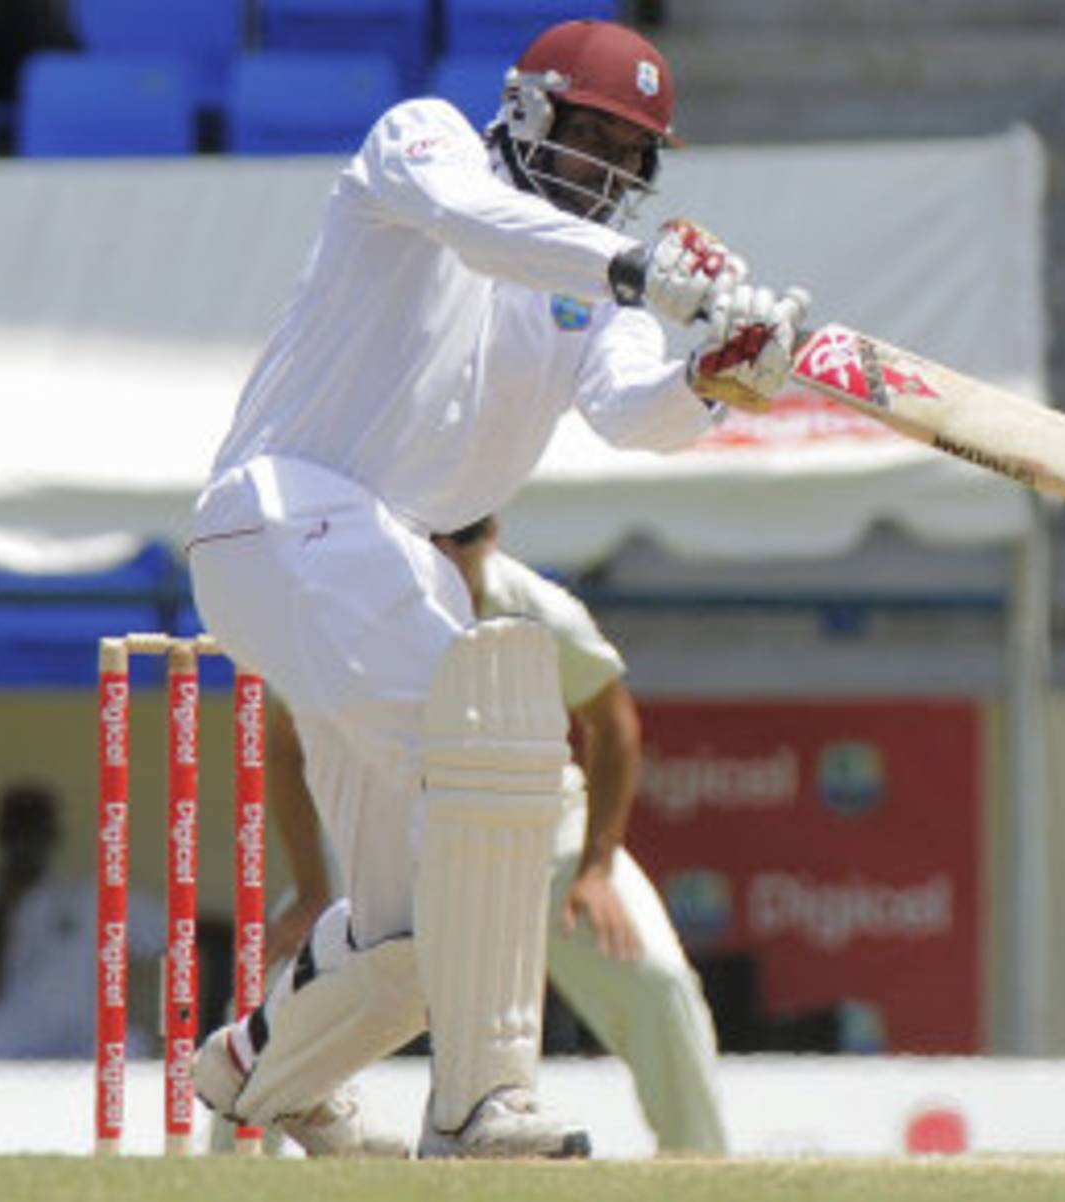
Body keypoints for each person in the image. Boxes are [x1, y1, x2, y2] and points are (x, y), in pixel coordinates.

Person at [187, 16, 808, 1159]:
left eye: (632, 158)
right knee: (503, 755)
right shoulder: (423, 141)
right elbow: (477, 226)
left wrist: (717, 373)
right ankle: (482, 1106)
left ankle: (257, 1066)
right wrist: (637, 267)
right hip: (279, 515)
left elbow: (634, 413)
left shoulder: (587, 277)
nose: (607, 174)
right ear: (525, 110)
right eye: (590, 137)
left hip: (391, 566)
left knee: (424, 935)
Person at [214, 516, 728, 1156]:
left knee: (657, 983)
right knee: (295, 984)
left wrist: (596, 866)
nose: (451, 552)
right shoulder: (357, 608)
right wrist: (314, 886)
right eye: (436, 537)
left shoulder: (534, 605)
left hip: (540, 826)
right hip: (409, 826)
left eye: (470, 536)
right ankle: (228, 1166)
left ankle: (706, 1167)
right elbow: (287, 747)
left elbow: (613, 724)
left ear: (494, 538)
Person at [0, 780, 164, 1060]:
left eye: (37, 831)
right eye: (18, 832)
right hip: (3, 1044)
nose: (27, 843)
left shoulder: (91, 896)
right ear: (1, 835)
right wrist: (2, 913)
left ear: (54, 836)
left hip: (78, 1038)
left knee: (127, 1044)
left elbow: (178, 935)